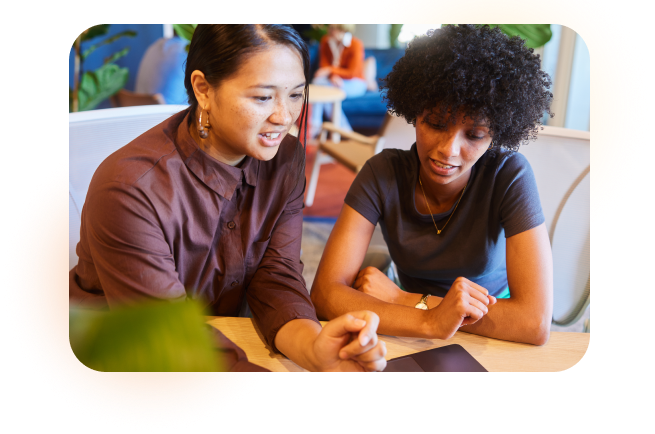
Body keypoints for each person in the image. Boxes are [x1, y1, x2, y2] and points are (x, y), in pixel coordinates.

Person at [69, 24, 387, 372]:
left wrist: (314, 349)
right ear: (203, 89)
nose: (284, 117)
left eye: (296, 94)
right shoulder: (131, 188)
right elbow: (172, 337)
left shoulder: (285, 158)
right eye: (263, 97)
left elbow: (276, 275)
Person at [310, 25, 554, 346]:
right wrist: (429, 319)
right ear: (415, 112)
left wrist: (406, 300)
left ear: (498, 133)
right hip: (413, 329)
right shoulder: (382, 173)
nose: (448, 150)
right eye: (436, 124)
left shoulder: (508, 175)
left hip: (488, 326)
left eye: (475, 135)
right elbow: (324, 293)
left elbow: (531, 322)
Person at [309, 24, 368, 138]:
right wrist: (332, 75)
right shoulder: (325, 41)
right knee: (318, 82)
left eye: (333, 28)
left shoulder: (356, 44)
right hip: (333, 82)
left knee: (323, 88)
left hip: (356, 83)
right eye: (329, 27)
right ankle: (343, 132)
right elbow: (323, 65)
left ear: (343, 29)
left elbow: (353, 73)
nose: (329, 30)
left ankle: (316, 126)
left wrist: (331, 71)